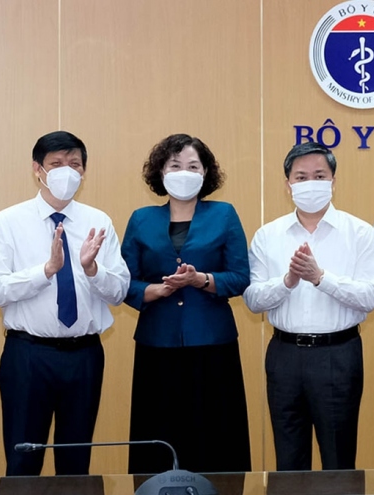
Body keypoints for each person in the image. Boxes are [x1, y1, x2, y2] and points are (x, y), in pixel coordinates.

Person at [0, 131, 130, 476]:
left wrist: (92, 270)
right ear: (38, 169)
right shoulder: (9, 221)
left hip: (84, 355)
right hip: (27, 355)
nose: (67, 171)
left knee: (76, 463)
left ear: (84, 171)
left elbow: (120, 290)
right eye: (57, 163)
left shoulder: (99, 222)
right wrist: (46, 270)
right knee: (22, 460)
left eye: (74, 164)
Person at [121, 134, 252, 474]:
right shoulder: (141, 219)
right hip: (157, 344)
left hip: (212, 344)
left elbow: (240, 276)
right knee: (158, 437)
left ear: (205, 173)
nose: (184, 173)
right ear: (161, 173)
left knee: (216, 437)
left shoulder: (224, 214)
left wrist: (202, 280)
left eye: (193, 166)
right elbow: (124, 282)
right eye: (175, 165)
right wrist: (156, 290)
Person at [243, 142, 374, 471]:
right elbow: (253, 299)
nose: (310, 183)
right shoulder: (268, 235)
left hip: (338, 353)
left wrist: (320, 278)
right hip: (284, 355)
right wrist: (288, 281)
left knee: (338, 458)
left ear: (333, 181)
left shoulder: (359, 233)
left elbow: (370, 297)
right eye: (301, 177)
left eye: (319, 176)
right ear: (288, 184)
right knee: (289, 459)